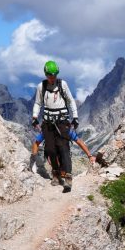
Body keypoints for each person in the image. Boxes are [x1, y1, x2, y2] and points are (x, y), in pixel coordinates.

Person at [31, 60, 80, 192]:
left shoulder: (62, 84)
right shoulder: (41, 86)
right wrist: (35, 116)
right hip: (48, 123)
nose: (52, 77)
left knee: (63, 148)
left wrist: (75, 117)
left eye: (54, 75)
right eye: (50, 75)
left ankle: (68, 178)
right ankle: (56, 175)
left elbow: (70, 100)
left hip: (62, 121)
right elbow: (37, 103)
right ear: (46, 74)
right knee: (51, 149)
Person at [29, 127, 96, 174]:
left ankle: (60, 171)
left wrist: (89, 156)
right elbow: (36, 143)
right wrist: (35, 158)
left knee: (64, 169)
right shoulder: (47, 131)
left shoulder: (66, 130)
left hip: (62, 150)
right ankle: (57, 170)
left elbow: (79, 142)